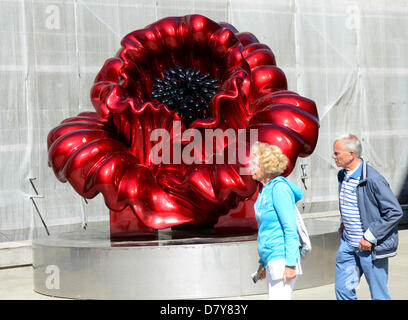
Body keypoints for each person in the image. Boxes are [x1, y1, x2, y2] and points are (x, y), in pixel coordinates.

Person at [332, 134, 403, 300]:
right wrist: (344, 223)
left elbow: (395, 212)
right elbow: (353, 204)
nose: (333, 156)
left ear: (351, 154)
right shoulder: (342, 175)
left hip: (370, 249)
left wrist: (370, 237)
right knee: (343, 290)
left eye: (337, 153)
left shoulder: (373, 179)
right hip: (348, 246)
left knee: (379, 295)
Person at [250, 141, 303, 300]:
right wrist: (262, 263)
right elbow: (265, 229)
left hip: (283, 259)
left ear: (266, 168)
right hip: (272, 260)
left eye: (255, 164)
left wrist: (291, 264)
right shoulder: (264, 191)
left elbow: (290, 228)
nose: (250, 168)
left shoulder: (279, 189)